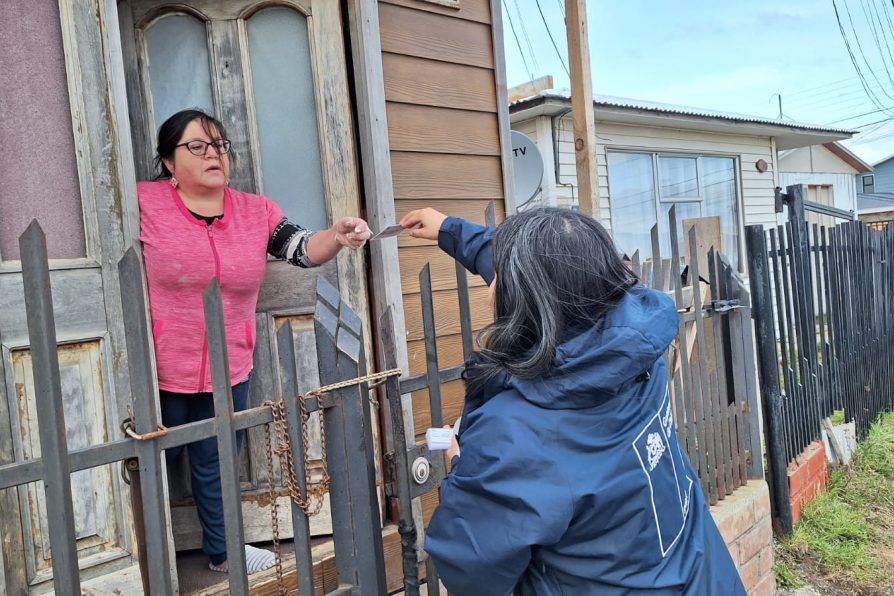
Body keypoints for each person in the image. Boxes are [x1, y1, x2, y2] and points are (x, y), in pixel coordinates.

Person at [398, 207, 745, 596]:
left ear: (530, 300)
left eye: (501, 279)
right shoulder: (634, 348)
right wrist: (450, 229)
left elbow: (472, 569)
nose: (491, 286)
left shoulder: (517, 435)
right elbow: (550, 268)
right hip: (704, 576)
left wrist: (463, 468)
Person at [138, 109, 370, 574]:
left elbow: (302, 248)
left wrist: (338, 236)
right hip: (159, 367)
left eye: (220, 146)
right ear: (168, 160)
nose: (214, 155)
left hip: (230, 367)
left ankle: (224, 553)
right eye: (198, 146)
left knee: (217, 458)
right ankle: (145, 563)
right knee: (150, 465)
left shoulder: (254, 211)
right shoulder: (144, 203)